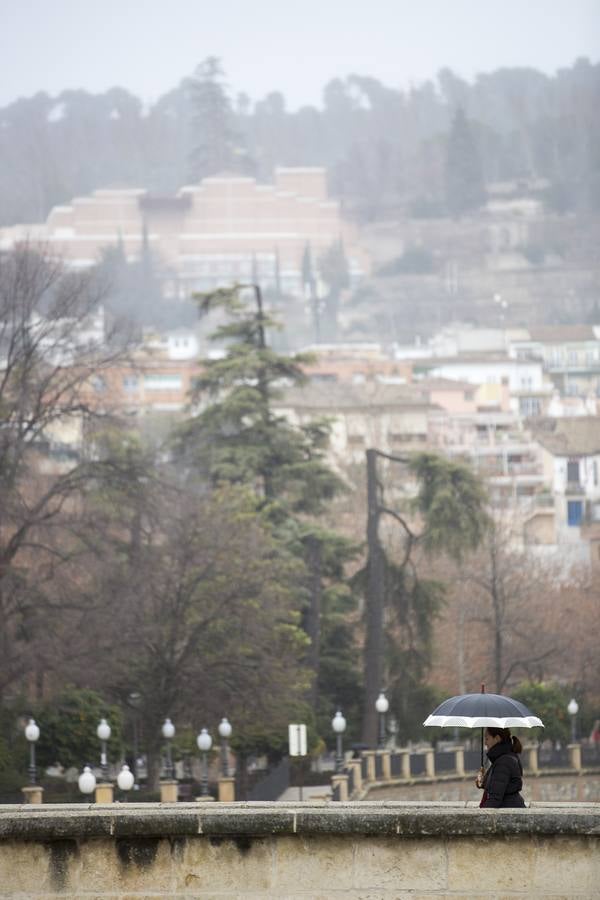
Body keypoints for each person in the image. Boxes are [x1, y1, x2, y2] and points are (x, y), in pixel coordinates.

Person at [475, 727, 525, 808]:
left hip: (508, 814)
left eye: (487, 739)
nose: (485, 743)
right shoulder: (504, 758)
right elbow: (500, 785)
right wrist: (483, 782)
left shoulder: (504, 762)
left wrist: (480, 818)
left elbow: (494, 799)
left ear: (497, 738)